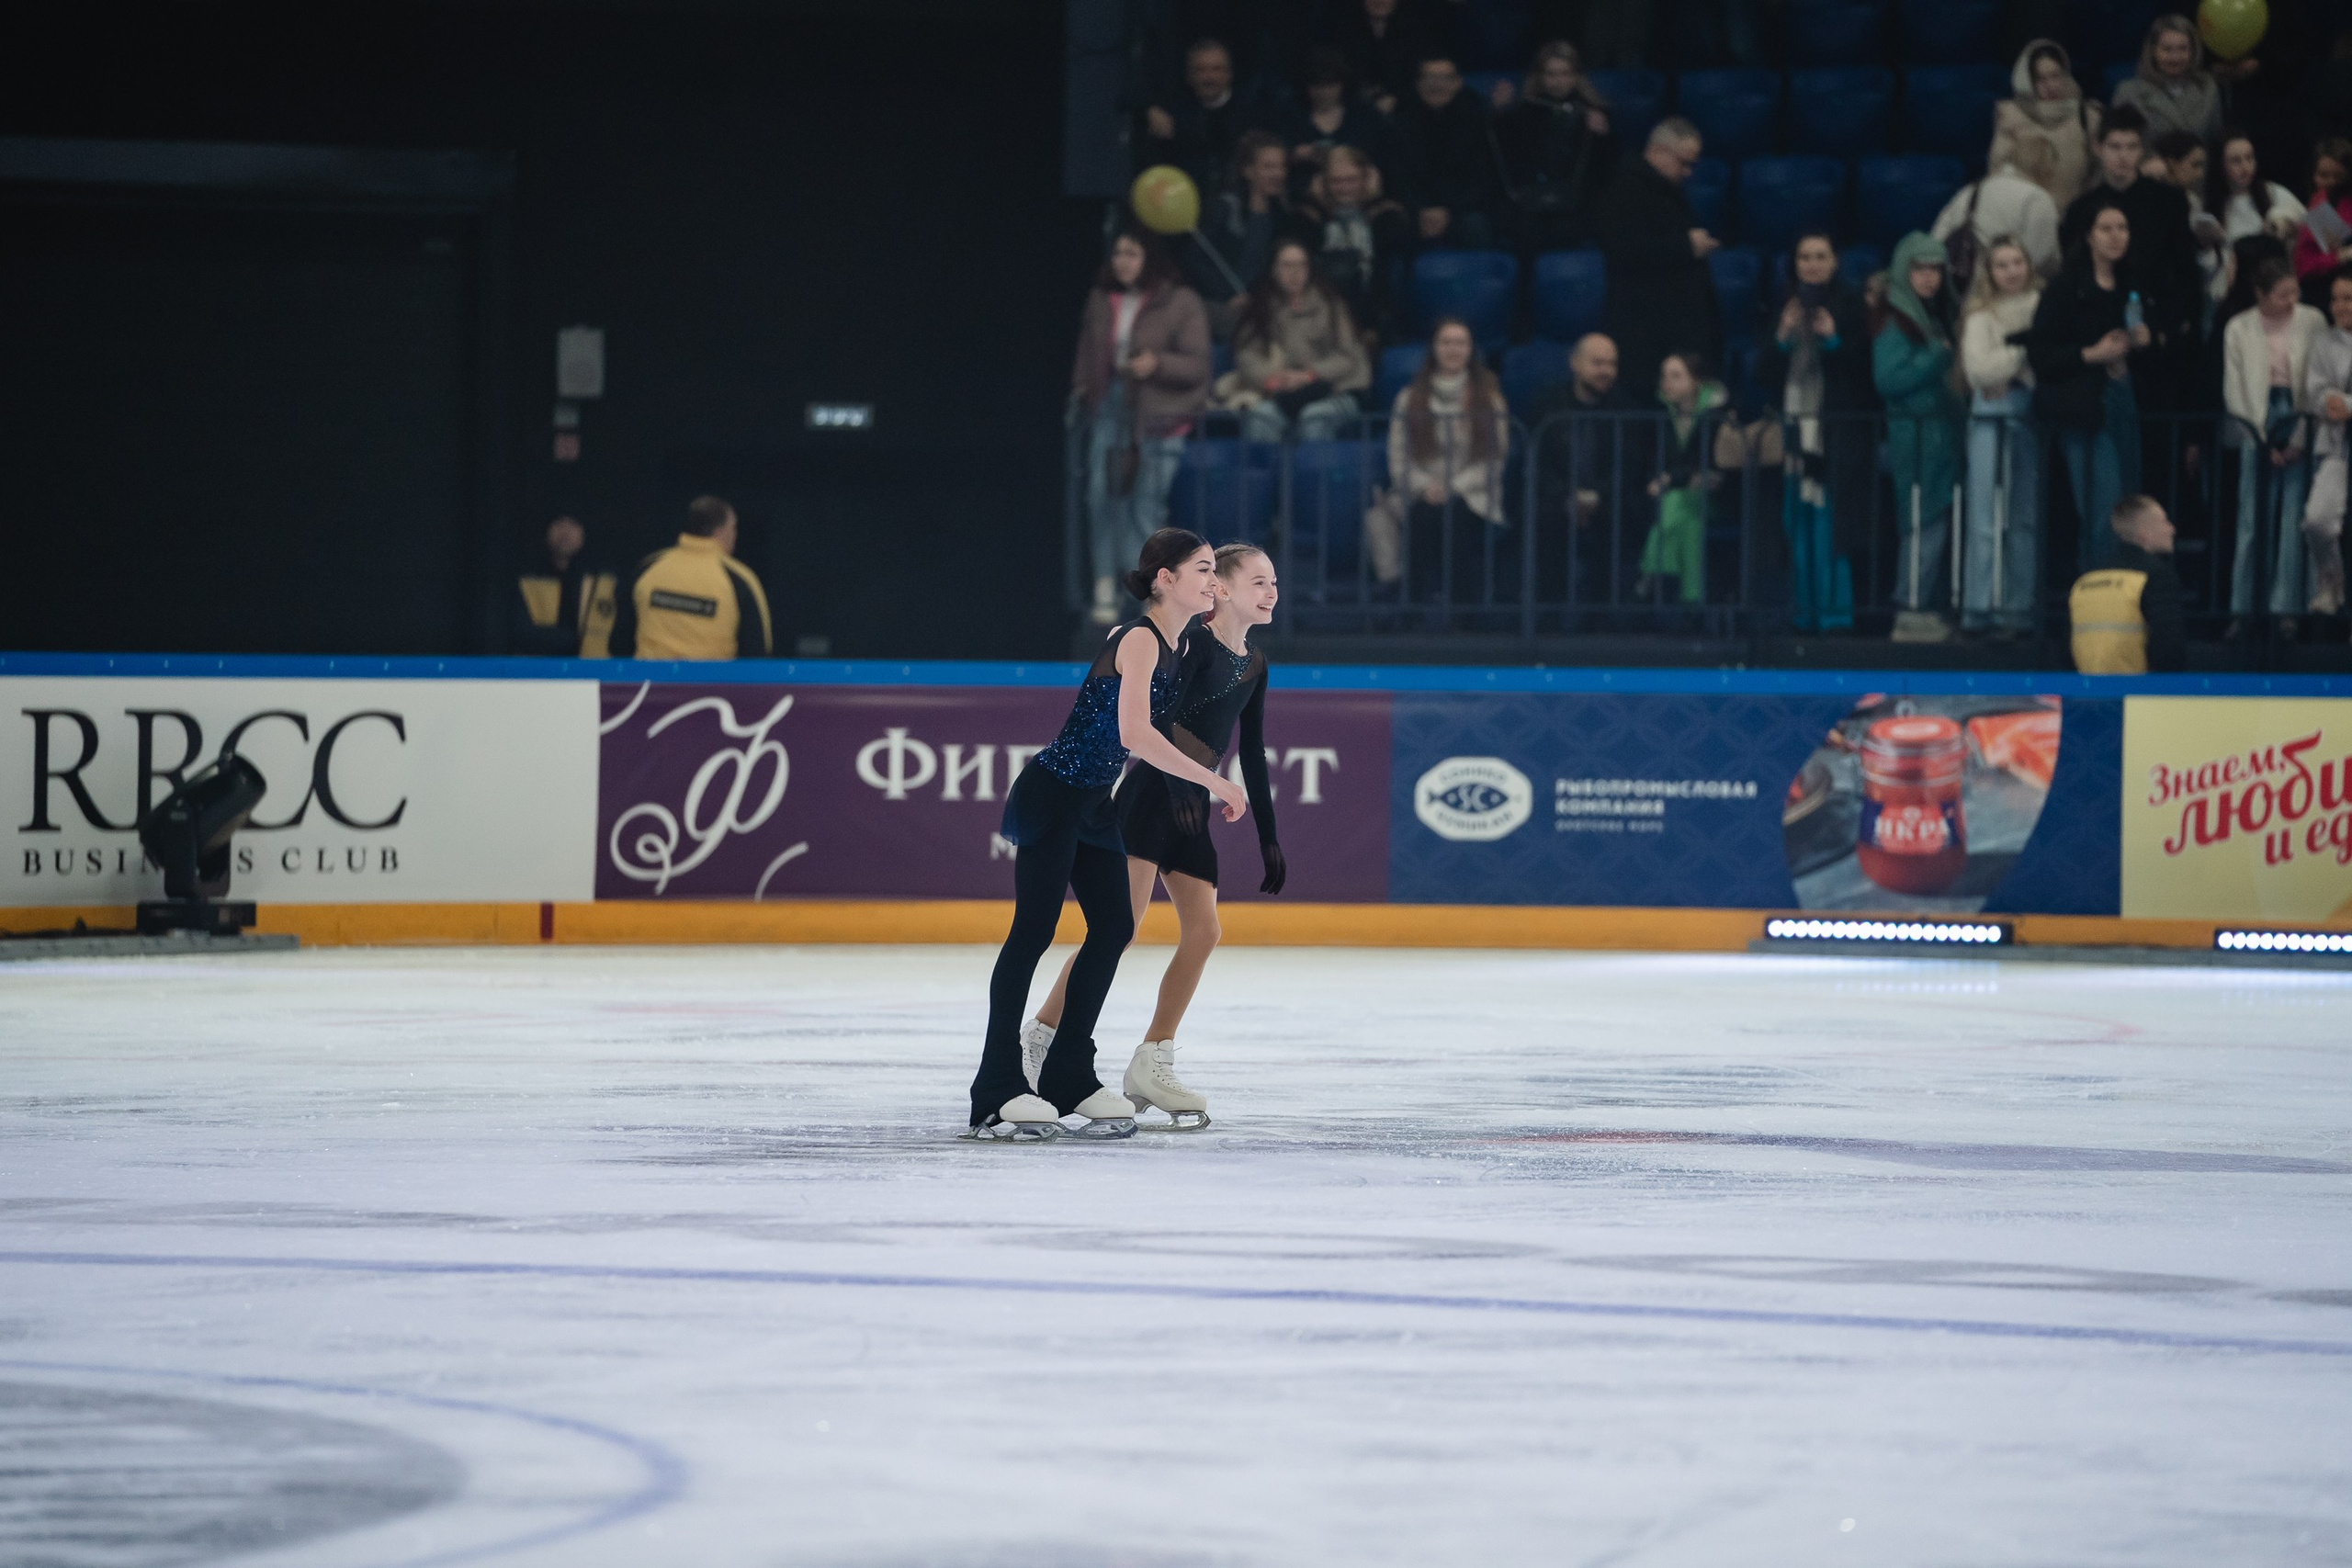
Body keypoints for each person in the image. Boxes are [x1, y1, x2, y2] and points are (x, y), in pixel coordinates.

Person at [964, 530, 1250, 1143]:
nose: (1213, 581)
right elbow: (1136, 737)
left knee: (1114, 926)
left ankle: (1069, 1074)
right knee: (1034, 932)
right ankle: (995, 1088)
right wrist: (1218, 783)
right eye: (1202, 570)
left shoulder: (1176, 644)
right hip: (1054, 793)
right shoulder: (1140, 640)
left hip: (1092, 803)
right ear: (1163, 580)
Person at [1020, 544, 1285, 1133]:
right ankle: (1041, 1035)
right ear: (1221, 590)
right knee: (1121, 927)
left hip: (1191, 802)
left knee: (1205, 929)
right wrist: (1181, 790)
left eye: (1275, 583)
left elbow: (1256, 751)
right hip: (1151, 799)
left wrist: (1269, 836)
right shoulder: (1192, 645)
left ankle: (1152, 1058)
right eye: (1259, 581)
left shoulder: (1256, 663)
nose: (1272, 592)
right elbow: (1154, 722)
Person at [1071, 229, 1211, 625]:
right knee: (1101, 495)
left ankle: (1148, 593)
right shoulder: (1102, 298)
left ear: (1150, 258)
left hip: (1159, 414)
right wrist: (1083, 388)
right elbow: (1087, 351)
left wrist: (1157, 364)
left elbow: (1198, 365)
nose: (1123, 261)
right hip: (1110, 406)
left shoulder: (1180, 301)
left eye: (1132, 254)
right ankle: (1104, 582)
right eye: (1118, 253)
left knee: (1145, 508)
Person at [1753, 232, 1876, 634]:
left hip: (1834, 435)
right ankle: (1803, 613)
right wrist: (1783, 337)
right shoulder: (1784, 304)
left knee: (1829, 526)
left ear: (1835, 261)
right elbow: (1763, 374)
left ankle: (1835, 617)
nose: (1812, 264)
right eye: (1805, 256)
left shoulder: (1851, 304)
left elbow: (1862, 374)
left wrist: (1834, 340)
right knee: (1797, 523)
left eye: (1821, 256)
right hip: (1793, 430)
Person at [2030, 198, 2154, 572]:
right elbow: (2042, 354)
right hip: (2083, 405)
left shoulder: (2133, 282)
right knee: (2102, 507)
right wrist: (2091, 353)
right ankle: (2095, 606)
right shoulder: (2066, 287)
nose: (2117, 236)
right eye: (2107, 228)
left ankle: (2122, 598)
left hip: (2124, 395)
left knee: (2128, 502)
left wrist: (2144, 340)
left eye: (2123, 228)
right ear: (2088, 236)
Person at [2061, 107, 2203, 412]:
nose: (2123, 156)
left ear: (2142, 150)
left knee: (2158, 437)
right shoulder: (2081, 210)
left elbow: (2185, 270)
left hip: (2159, 336)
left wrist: (2170, 328)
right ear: (2098, 149)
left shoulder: (2169, 201)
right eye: (2114, 146)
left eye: (2131, 146)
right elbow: (2073, 277)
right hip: (2104, 336)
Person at [1373, 318, 1511, 607]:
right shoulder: (1409, 398)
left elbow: (1494, 459)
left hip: (1473, 495)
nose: (1453, 349)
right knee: (1425, 514)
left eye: (1460, 343)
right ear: (1434, 349)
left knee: (1454, 514)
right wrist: (1426, 487)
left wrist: (1453, 487)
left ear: (1470, 350)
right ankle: (1413, 608)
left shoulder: (1490, 399)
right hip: (1420, 493)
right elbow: (1398, 457)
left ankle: (1463, 610)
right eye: (1446, 342)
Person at [2221, 257, 2324, 635]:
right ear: (2261, 295)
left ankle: (2287, 610)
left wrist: (2299, 437)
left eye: (2294, 292)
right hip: (2256, 415)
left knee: (2294, 516)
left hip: (2299, 411)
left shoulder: (2312, 320)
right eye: (2282, 295)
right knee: (2251, 518)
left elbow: (2317, 376)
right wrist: (2260, 438)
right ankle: (2242, 609)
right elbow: (2234, 388)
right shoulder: (2239, 327)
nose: (2291, 301)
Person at [1874, 232, 1967, 642]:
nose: (1929, 278)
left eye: (1935, 269)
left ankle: (1920, 603)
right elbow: (1889, 379)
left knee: (1933, 519)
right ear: (1903, 271)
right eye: (1920, 268)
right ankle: (1909, 608)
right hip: (1914, 437)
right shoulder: (1895, 320)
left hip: (1938, 436)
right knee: (1921, 520)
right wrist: (1939, 356)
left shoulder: (1932, 315)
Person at [1598, 118, 1722, 401]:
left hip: (1670, 325)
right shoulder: (1624, 190)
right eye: (1684, 163)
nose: (1689, 172)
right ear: (1660, 152)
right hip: (1645, 331)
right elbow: (1624, 252)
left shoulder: (1668, 189)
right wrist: (1685, 245)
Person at [1960, 239, 2046, 637]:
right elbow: (1978, 371)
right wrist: (2019, 358)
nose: (2010, 271)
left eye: (2017, 262)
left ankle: (2018, 609)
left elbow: (2046, 363)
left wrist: (2013, 364)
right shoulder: (1980, 316)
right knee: (1983, 516)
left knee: (2023, 519)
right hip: (1986, 421)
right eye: (2001, 265)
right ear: (1989, 272)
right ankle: (1979, 607)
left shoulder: (2045, 307)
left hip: (2028, 419)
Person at [1227, 238, 1372, 442]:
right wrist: (1275, 379)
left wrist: (1308, 375)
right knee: (1261, 418)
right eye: (1287, 266)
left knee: (1313, 419)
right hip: (1282, 392)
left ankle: (1311, 474)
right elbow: (1247, 356)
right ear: (1274, 270)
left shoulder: (1331, 305)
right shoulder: (1260, 307)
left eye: (1301, 265)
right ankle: (1268, 474)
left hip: (1335, 391)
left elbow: (1348, 359)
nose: (1295, 273)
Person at [1530, 333, 1634, 608]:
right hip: (1557, 499)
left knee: (1621, 518)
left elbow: (1629, 466)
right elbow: (1537, 464)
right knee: (1543, 519)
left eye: (1611, 364)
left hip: (1607, 498)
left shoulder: (1624, 407)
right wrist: (1568, 496)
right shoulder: (1547, 404)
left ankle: (1605, 616)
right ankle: (1547, 616)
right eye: (1598, 363)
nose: (1606, 371)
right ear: (1575, 363)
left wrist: (1596, 496)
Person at [608, 497, 773, 661]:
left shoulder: (648, 568)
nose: (735, 535)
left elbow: (619, 643)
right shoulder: (740, 580)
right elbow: (757, 655)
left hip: (650, 682)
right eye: (733, 527)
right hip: (710, 685)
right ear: (719, 531)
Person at [1494, 40, 1614, 254]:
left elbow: (1607, 168)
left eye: (1565, 74)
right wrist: (1498, 114)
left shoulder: (1595, 112)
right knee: (1526, 231)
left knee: (1568, 229)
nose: (1558, 81)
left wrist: (1603, 136)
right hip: (1530, 199)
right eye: (1551, 74)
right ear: (1540, 76)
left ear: (1576, 77)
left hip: (1578, 200)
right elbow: (1505, 160)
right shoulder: (1522, 113)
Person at [1297, 145, 1414, 344]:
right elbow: (1301, 247)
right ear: (1323, 182)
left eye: (1351, 180)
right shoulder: (1311, 216)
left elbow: (1397, 243)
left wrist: (1373, 199)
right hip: (1320, 314)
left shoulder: (1385, 215)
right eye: (1336, 181)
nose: (1344, 188)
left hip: (1373, 316)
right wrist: (1319, 204)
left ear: (1366, 179)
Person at [1635, 351, 1725, 606]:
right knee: (1685, 516)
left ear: (1696, 381)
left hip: (1715, 495)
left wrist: (1671, 480)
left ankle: (1648, 576)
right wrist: (1673, 480)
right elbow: (1651, 458)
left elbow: (1709, 461)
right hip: (1676, 497)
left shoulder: (1717, 413)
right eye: (1664, 376)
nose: (1667, 383)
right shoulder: (1657, 413)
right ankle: (1692, 603)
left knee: (1677, 502)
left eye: (1676, 376)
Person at [1189, 132, 1300, 333]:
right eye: (1268, 167)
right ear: (1248, 171)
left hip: (1261, 305)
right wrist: (1228, 295)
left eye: (1281, 166)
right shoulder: (1224, 208)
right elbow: (1196, 259)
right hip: (1219, 303)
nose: (1278, 173)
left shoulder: (1283, 217)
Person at [1392, 56, 1502, 250]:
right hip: (1415, 207)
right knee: (1392, 224)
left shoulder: (1478, 122)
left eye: (1445, 78)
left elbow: (1482, 177)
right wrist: (1421, 209)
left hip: (1462, 207)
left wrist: (1447, 210)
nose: (1437, 85)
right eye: (1430, 78)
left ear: (1458, 83)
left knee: (1475, 225)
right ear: (1417, 84)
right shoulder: (1399, 122)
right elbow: (1397, 175)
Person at [2069, 494, 2187, 672]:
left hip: (2088, 689)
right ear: (2144, 534)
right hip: (2140, 691)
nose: (2172, 529)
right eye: (2164, 522)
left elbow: (2066, 639)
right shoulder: (2156, 576)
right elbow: (2169, 647)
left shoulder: (2086, 579)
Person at [1991, 40, 2104, 209]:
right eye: (2041, 79)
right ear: (2028, 81)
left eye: (2055, 76)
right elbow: (1998, 172)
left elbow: (2100, 171)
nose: (2050, 85)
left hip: (2076, 217)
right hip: (2027, 213)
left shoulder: (2087, 115)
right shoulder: (2011, 118)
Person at [1144, 39, 1261, 197]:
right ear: (1188, 76)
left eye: (1216, 69)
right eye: (1200, 70)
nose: (1209, 78)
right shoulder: (1173, 114)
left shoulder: (1251, 113)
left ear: (1229, 74)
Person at [1931, 158, 2064, 291]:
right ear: (2046, 171)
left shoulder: (1971, 189)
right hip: (2012, 294)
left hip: (1965, 285)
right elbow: (2042, 258)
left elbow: (1937, 237)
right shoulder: (2038, 198)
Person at [1282, 46, 1402, 192]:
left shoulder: (1364, 116)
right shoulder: (1290, 117)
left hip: (1359, 194)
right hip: (1304, 197)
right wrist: (1294, 155)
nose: (1323, 93)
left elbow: (1384, 158)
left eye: (1330, 85)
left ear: (1342, 85)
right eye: (1317, 86)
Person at [2302, 271, 2352, 623]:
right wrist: (2328, 403)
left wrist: (2348, 404)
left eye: (2347, 298)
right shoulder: (2324, 342)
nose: (2339, 306)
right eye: (2335, 298)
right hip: (2337, 447)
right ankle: (2331, 579)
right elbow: (2315, 390)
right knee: (2317, 520)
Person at [2156, 130, 2236, 336]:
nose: (2200, 174)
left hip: (2193, 283)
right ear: (2173, 164)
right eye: (2195, 165)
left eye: (2203, 166)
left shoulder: (2192, 198)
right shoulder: (2154, 200)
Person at [2110, 15, 2224, 153]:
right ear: (2153, 51)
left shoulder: (2207, 88)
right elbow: (2118, 149)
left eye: (2183, 49)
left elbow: (2215, 144)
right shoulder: (2129, 93)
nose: (2175, 57)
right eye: (2167, 49)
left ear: (2193, 50)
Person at [513, 513, 617, 658]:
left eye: (573, 523)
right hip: (539, 674)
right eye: (558, 523)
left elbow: (620, 636)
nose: (565, 531)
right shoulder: (528, 580)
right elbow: (520, 633)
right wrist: (570, 638)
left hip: (595, 674)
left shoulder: (606, 582)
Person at [1331, 0, 1436, 115]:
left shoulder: (1414, 30)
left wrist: (1397, 99)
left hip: (1405, 103)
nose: (1380, 1)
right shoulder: (1344, 29)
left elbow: (1418, 71)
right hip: (1353, 103)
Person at [2211, 130, 2306, 244]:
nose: (2245, 167)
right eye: (2236, 161)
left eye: (2249, 158)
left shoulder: (2272, 192)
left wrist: (2286, 225)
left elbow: (2305, 222)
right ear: (2220, 165)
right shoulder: (2215, 207)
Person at [2295, 139, 2352, 295]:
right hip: (2324, 287)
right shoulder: (2319, 203)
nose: (2330, 182)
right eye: (2323, 175)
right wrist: (2340, 256)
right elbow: (2306, 266)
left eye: (2338, 176)